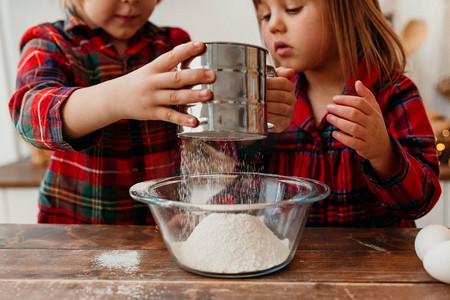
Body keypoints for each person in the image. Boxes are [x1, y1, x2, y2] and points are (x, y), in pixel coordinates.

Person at [9, 0, 296, 225]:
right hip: (79, 232)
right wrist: (116, 99)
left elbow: (203, 127)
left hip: (164, 227)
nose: (131, 0)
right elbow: (29, 116)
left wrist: (254, 112)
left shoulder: (172, 44)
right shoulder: (50, 41)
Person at [252, 0, 441, 227]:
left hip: (378, 260)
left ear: (351, 11)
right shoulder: (265, 102)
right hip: (292, 258)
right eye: (265, 15)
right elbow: (237, 191)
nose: (274, 25)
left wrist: (383, 153)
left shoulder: (395, 93)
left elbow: (421, 202)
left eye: (293, 8)